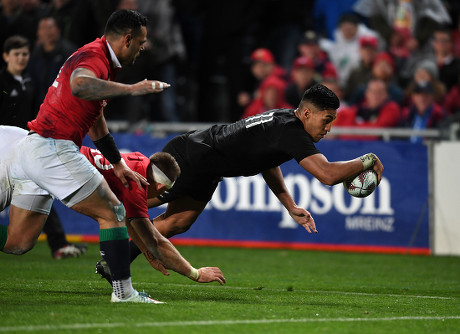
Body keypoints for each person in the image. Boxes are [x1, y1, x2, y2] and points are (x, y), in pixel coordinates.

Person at [0, 9, 197, 304]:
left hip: (36, 148)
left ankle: (124, 292)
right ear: (127, 40)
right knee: (113, 212)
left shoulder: (104, 61)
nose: (144, 49)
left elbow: (95, 119)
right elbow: (79, 85)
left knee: (18, 243)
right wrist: (132, 90)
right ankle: (124, 293)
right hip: (52, 148)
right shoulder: (94, 58)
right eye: (141, 42)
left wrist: (117, 163)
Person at [127, 84, 384, 246]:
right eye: (326, 120)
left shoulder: (286, 121)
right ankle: (97, 203)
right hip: (192, 158)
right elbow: (327, 175)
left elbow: (267, 161)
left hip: (207, 165)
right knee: (130, 203)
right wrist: (367, 160)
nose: (328, 128)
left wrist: (290, 205)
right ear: (307, 114)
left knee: (177, 223)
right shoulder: (292, 132)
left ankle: (114, 261)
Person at [0, 35, 86, 259]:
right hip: (6, 149)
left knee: (21, 242)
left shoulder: (29, 81)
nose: (21, 58)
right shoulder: (3, 83)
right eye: (16, 54)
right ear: (5, 56)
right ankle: (59, 244)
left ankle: (59, 244)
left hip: (27, 149)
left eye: (25, 54)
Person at [333, 79, 401, 140]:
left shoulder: (392, 109)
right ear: (366, 93)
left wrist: (352, 130)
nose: (376, 96)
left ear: (386, 95)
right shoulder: (359, 109)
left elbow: (375, 132)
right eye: (372, 91)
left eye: (380, 92)